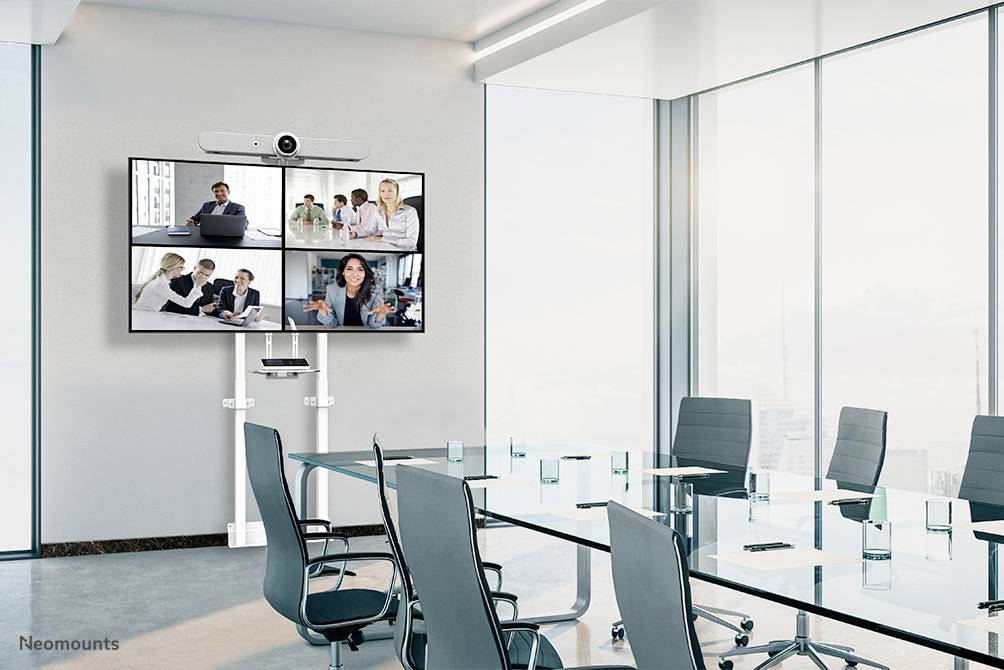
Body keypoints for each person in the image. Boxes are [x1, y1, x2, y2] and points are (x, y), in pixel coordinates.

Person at [303, 253, 394, 329]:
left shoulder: (375, 291)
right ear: (343, 272)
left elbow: (373, 326)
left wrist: (381, 314)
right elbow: (332, 325)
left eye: (360, 269)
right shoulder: (332, 289)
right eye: (349, 269)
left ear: (365, 273)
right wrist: (324, 312)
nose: (354, 274)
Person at [356, 178, 419, 251]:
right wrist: (356, 234)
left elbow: (411, 242)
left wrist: (382, 239)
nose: (386, 194)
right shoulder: (378, 212)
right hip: (385, 248)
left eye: (390, 190)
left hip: (404, 251)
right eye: (382, 191)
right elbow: (371, 231)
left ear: (397, 192)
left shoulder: (410, 212)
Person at [133, 252, 208, 311]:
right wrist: (198, 286)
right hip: (141, 315)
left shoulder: (162, 281)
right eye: (181, 267)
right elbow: (186, 303)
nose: (182, 270)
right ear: (174, 268)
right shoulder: (160, 284)